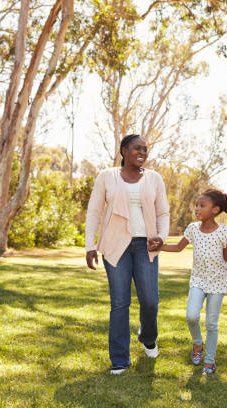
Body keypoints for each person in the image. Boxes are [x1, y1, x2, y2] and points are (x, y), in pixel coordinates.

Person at [85, 134, 169, 375]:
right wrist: (90, 245)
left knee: (150, 301)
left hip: (146, 246)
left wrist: (161, 237)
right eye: (136, 148)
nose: (142, 152)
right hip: (115, 245)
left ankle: (148, 337)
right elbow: (94, 211)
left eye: (145, 149)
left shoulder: (154, 179)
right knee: (120, 303)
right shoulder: (107, 176)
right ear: (124, 150)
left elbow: (163, 212)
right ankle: (120, 360)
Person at [160, 189, 227, 374]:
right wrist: (160, 246)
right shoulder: (193, 229)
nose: (197, 208)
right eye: (196, 205)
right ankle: (197, 344)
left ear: (215, 209)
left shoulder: (224, 231)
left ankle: (209, 362)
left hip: (218, 282)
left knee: (212, 323)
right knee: (191, 316)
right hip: (198, 280)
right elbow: (179, 247)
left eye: (202, 206)